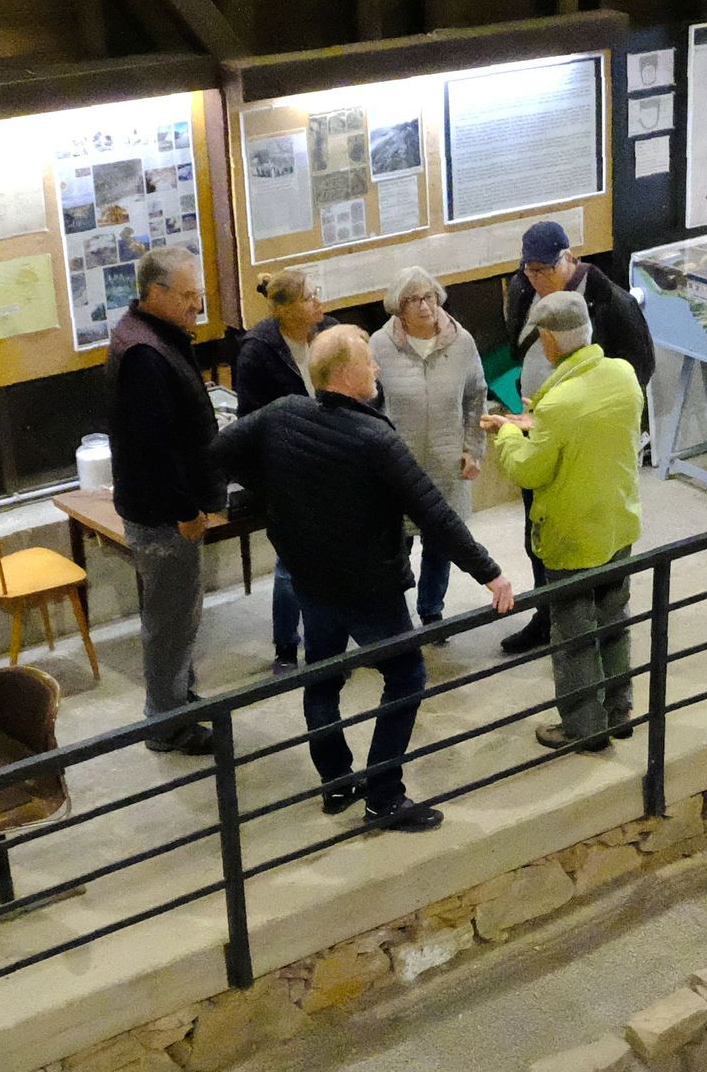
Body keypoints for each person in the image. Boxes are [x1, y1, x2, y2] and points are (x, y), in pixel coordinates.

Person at [210, 325, 511, 831]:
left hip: (311, 579)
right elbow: (433, 512)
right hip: (370, 589)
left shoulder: (284, 413)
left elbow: (219, 452)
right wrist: (491, 573)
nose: (376, 369)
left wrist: (273, 493)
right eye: (369, 362)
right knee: (407, 675)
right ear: (347, 374)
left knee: (322, 678)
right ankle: (384, 795)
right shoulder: (375, 438)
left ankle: (336, 784)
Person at [491, 220, 657, 658]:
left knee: (598, 532)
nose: (536, 279)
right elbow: (517, 345)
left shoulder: (612, 303)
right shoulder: (522, 288)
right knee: (538, 528)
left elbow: (640, 367)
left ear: (571, 257)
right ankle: (550, 616)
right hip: (542, 424)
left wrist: (590, 414)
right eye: (529, 271)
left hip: (590, 438)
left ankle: (594, 627)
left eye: (545, 269)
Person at [489, 290, 644, 754]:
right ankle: (621, 711)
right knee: (614, 618)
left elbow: (528, 470)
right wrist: (541, 421)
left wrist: (508, 433)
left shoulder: (558, 405)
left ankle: (583, 727)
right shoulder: (622, 376)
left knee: (574, 633)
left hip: (573, 536)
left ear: (550, 341)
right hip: (618, 521)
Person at [103, 242, 222, 756]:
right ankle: (168, 724)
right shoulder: (145, 354)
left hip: (163, 508)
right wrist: (187, 511)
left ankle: (177, 701)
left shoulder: (151, 335)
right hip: (164, 515)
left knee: (178, 614)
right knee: (171, 618)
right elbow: (154, 447)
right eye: (189, 296)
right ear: (155, 293)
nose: (197, 306)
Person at [368, 267, 501, 629]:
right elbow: (368, 404)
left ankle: (431, 612)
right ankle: (393, 618)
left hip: (446, 464)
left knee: (441, 543)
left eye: (429, 296)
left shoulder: (462, 343)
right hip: (398, 469)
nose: (424, 306)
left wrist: (474, 448)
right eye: (413, 299)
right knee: (396, 547)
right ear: (398, 307)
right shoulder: (379, 346)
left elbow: (477, 397)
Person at [234, 269, 322, 672]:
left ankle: (327, 643)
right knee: (290, 564)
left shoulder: (328, 334)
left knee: (331, 560)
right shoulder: (258, 350)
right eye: (308, 298)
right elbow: (252, 420)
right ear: (283, 310)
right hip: (286, 471)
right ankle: (286, 648)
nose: (318, 303)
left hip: (329, 461)